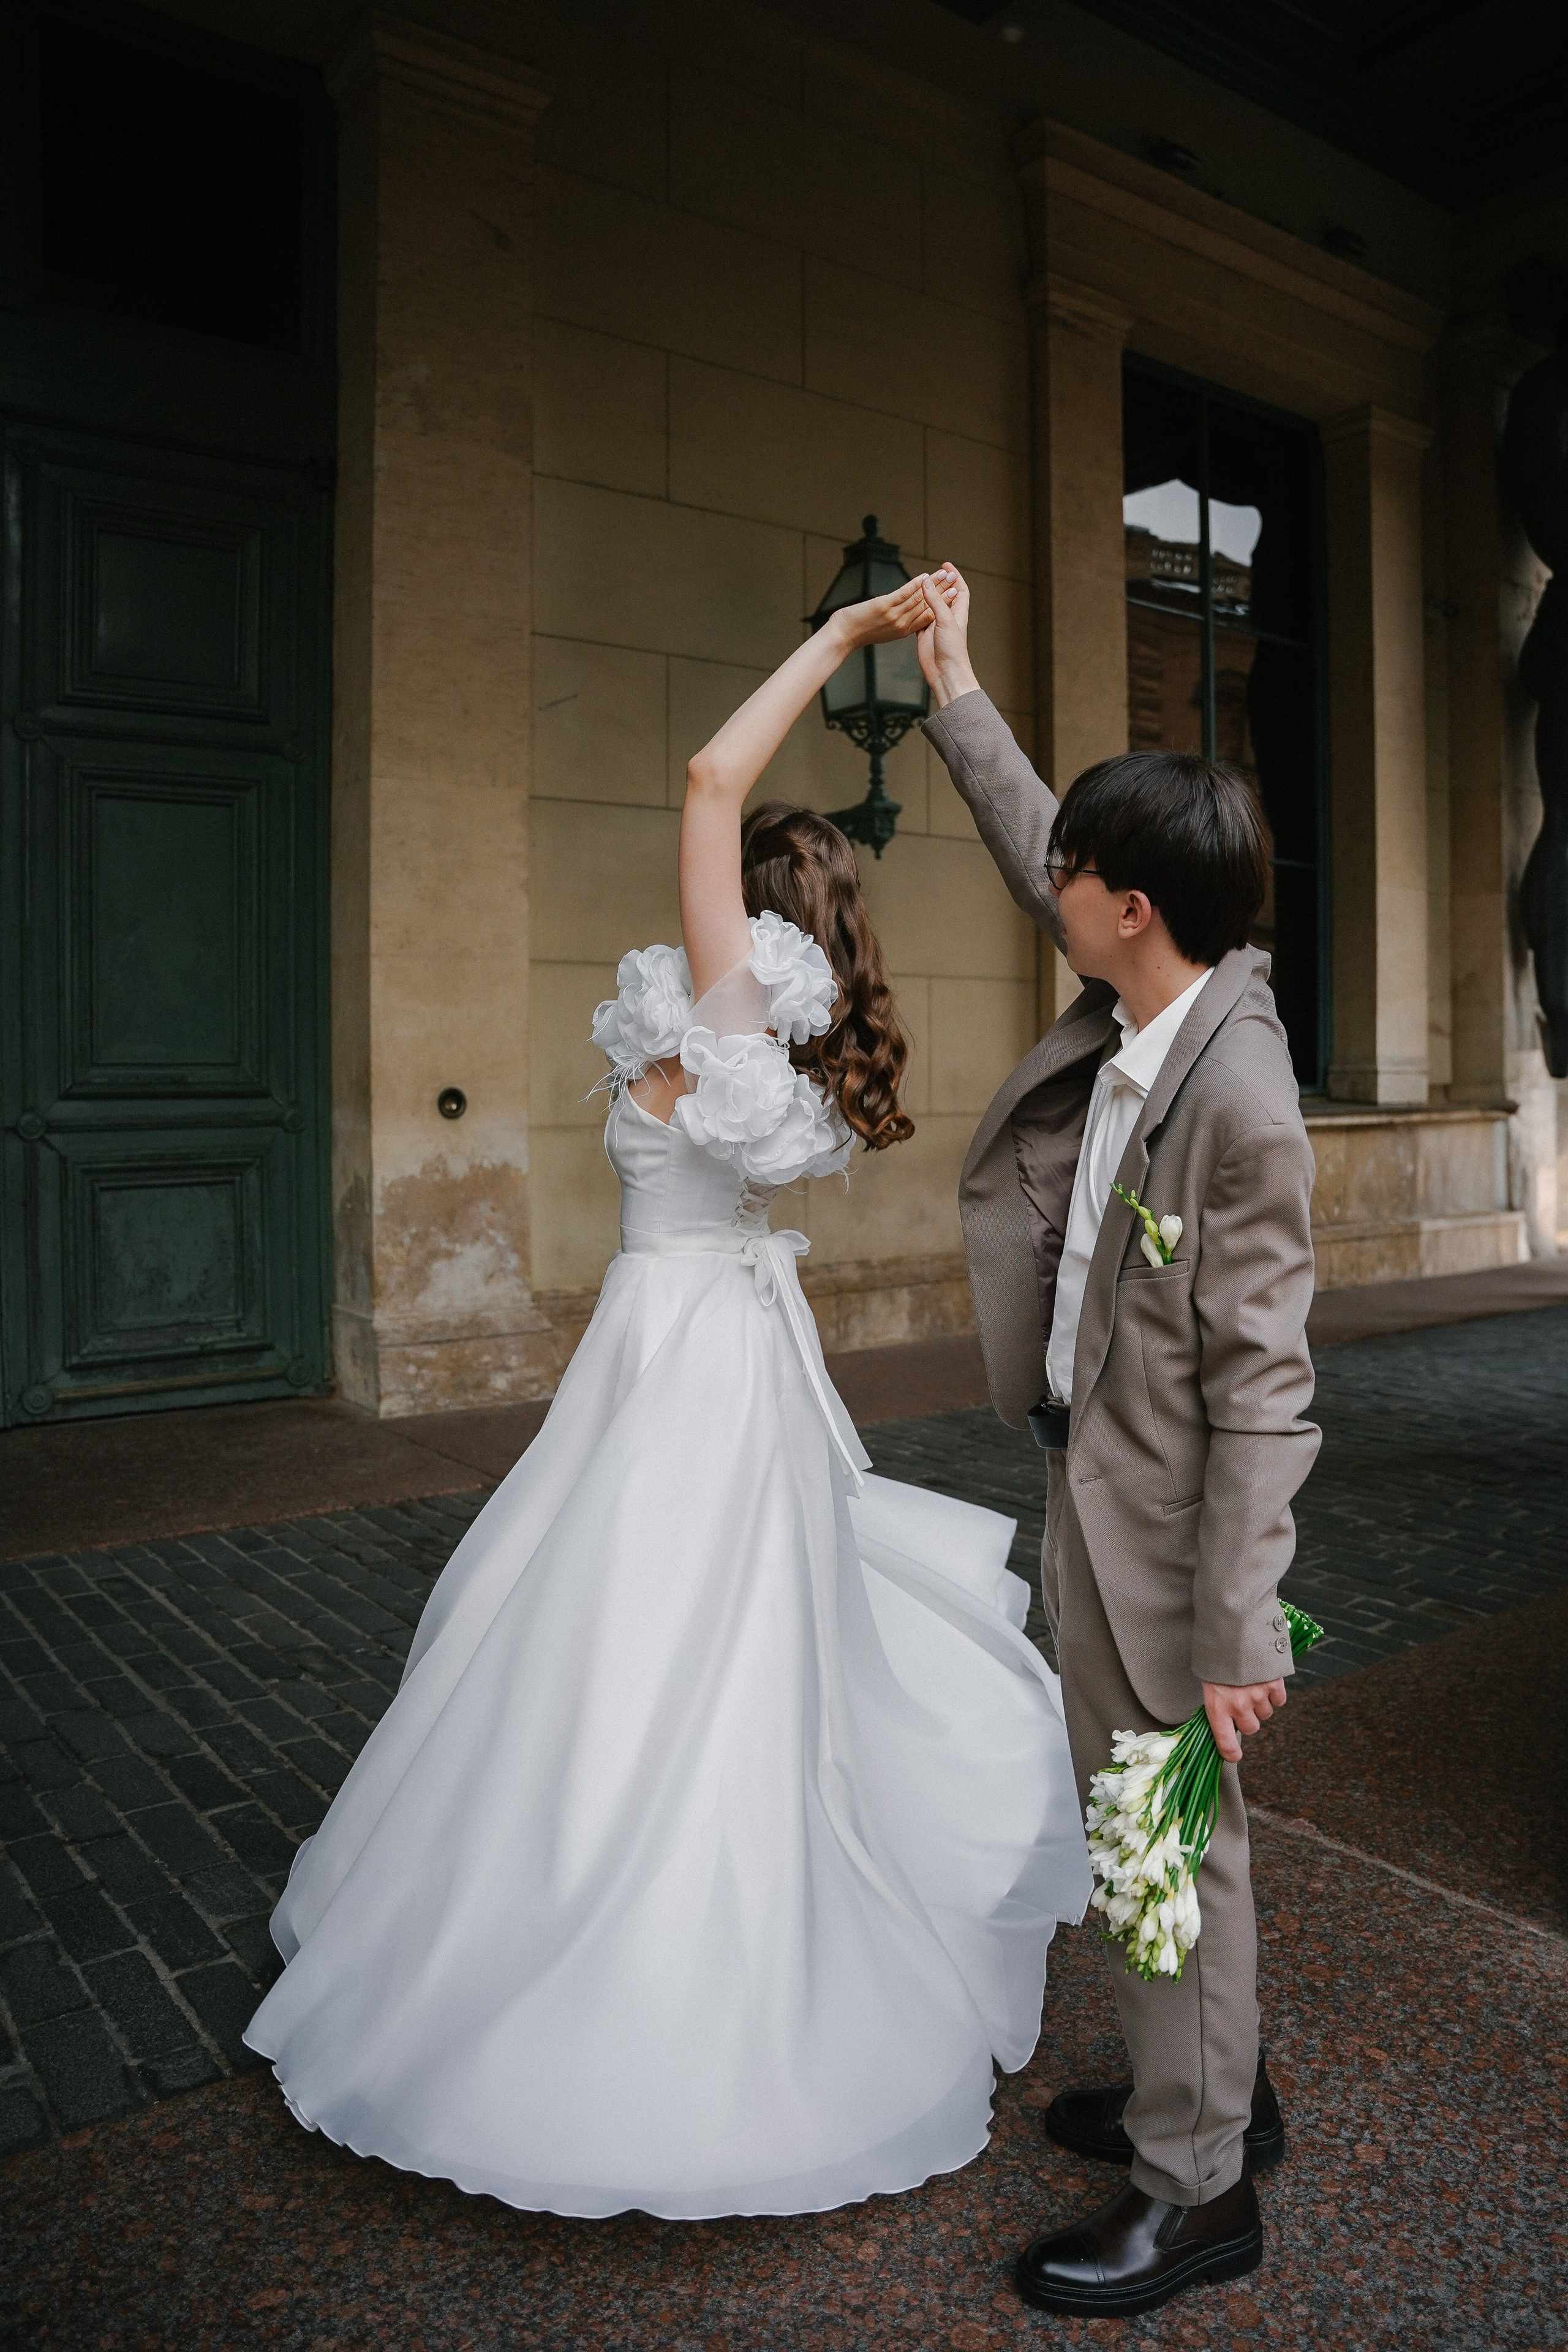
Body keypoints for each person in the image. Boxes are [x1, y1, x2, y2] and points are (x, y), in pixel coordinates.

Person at [243, 575, 1091, 2221]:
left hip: (676, 1343)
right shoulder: (781, 1021)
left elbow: (708, 778)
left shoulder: (721, 996)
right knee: (706, 1630)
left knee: (626, 1627)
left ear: (756, 909)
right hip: (723, 1338)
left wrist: (841, 645)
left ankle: (639, 1962)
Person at [916, 565, 1319, 2319]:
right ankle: (1208, 2083)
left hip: (1166, 1531)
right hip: (1098, 1476)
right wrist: (953, 684)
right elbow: (1035, 836)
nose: (1047, 893)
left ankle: (1197, 2185)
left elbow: (1268, 1381)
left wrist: (1240, 1629)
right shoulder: (1159, 986)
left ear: (1133, 909)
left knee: (1167, 1835)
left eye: (1074, 884)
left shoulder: (1235, 1088)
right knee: (1143, 1832)